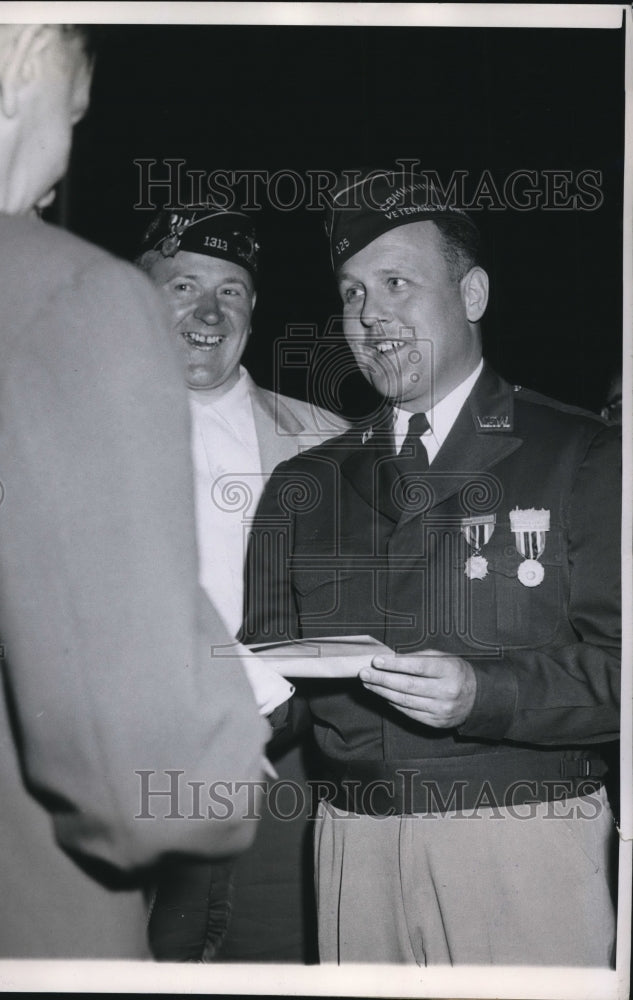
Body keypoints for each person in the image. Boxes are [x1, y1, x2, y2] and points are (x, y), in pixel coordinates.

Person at [0, 23, 269, 958]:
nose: (57, 173)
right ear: (25, 58)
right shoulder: (59, 298)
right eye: (75, 113)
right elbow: (153, 786)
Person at [241, 169, 621, 966]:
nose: (369, 314)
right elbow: (278, 689)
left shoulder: (584, 456)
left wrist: (487, 695)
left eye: (395, 284)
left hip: (524, 842)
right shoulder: (302, 487)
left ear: (472, 294)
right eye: (350, 293)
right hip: (351, 847)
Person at [135, 204, 347, 962]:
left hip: (289, 762)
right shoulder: (67, 423)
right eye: (183, 284)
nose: (206, 310)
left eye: (230, 290)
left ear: (253, 311)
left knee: (277, 957)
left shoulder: (328, 442)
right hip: (126, 756)